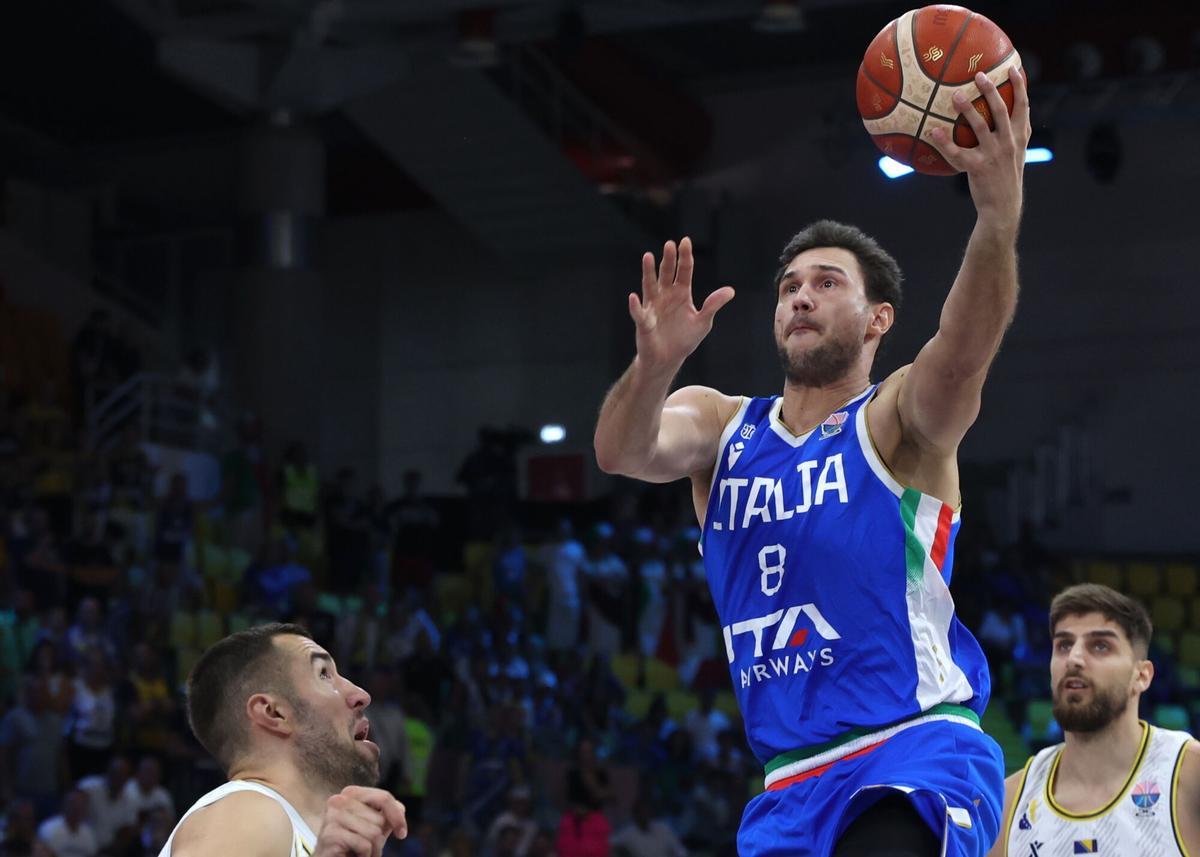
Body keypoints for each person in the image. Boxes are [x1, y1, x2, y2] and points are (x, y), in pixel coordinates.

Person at [593, 67, 1031, 856]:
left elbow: (963, 355)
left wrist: (997, 220)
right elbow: (622, 450)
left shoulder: (895, 418)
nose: (800, 296)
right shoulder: (723, 424)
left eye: (827, 283)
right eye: (790, 285)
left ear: (877, 319)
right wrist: (655, 363)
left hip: (911, 748)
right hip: (790, 783)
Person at [158, 623, 407, 856]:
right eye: (324, 674)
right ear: (273, 713)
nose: (361, 694)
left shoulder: (289, 827)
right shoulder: (250, 810)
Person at [989, 584, 1199, 856]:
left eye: (1100, 646)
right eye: (1064, 645)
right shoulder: (1010, 802)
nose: (1074, 658)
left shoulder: (1189, 773)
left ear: (1141, 675)